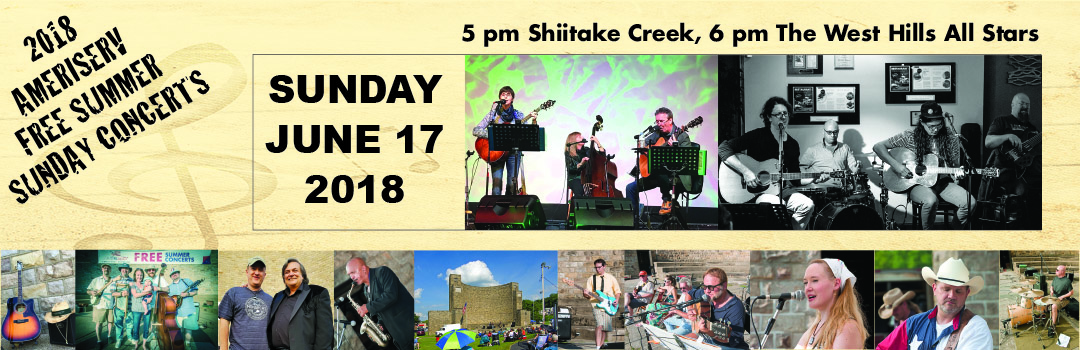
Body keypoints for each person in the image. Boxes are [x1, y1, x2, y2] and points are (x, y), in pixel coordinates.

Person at [719, 97, 817, 229]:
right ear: (769, 117)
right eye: (778, 114)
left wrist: (814, 179)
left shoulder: (793, 145)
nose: (783, 117)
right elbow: (723, 148)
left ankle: (790, 239)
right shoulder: (757, 136)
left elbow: (795, 180)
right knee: (777, 204)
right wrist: (746, 172)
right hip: (756, 192)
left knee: (807, 204)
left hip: (780, 190)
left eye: (785, 113)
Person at [874, 102, 975, 229]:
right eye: (931, 126)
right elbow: (878, 147)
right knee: (930, 200)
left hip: (942, 182)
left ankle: (954, 234)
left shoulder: (951, 138)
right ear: (922, 122)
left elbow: (954, 166)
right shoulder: (909, 136)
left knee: (969, 203)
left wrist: (958, 176)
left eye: (938, 125)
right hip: (918, 184)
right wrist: (897, 166)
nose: (935, 129)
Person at [876, 257, 992, 350]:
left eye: (958, 291)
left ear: (967, 293)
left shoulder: (976, 327)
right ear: (934, 288)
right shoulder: (912, 324)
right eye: (946, 289)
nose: (951, 295)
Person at [984, 92, 1041, 228]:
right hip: (1006, 171)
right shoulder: (1002, 121)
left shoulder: (1033, 130)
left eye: (1027, 105)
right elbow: (988, 142)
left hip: (1029, 172)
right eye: (1022, 103)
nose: (1025, 107)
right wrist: (1007, 136)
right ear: (1012, 105)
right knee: (1023, 191)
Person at [626, 107, 693, 218]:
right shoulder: (657, 132)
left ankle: (667, 200)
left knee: (661, 167)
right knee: (631, 188)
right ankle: (633, 220)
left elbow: (686, 160)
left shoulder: (682, 136)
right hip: (656, 176)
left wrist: (675, 148)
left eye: (661, 121)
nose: (659, 124)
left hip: (675, 176)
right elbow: (642, 144)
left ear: (670, 120)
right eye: (657, 121)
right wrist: (646, 151)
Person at [471, 86, 538, 195]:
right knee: (496, 187)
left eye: (508, 94)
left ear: (512, 99)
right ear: (499, 97)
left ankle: (509, 210)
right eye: (503, 94)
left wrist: (534, 120)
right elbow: (476, 130)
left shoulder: (518, 115)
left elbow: (528, 132)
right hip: (496, 153)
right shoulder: (493, 114)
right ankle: (495, 211)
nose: (505, 96)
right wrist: (493, 135)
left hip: (513, 153)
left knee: (512, 185)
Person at [795, 259, 868, 349]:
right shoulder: (813, 329)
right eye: (805, 283)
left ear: (836, 283)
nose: (807, 288)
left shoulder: (847, 327)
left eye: (815, 280)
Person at [346, 257, 414, 350]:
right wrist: (380, 326)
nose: (351, 277)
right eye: (349, 274)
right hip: (401, 339)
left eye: (353, 272)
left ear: (363, 268)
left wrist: (368, 307)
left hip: (411, 328)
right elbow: (381, 313)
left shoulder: (382, 272)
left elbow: (391, 295)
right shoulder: (366, 290)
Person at [267, 258, 332, 350]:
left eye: (295, 270)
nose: (291, 274)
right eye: (287, 272)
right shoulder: (278, 296)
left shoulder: (317, 293)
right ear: (284, 278)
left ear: (303, 276)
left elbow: (325, 332)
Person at [677, 268, 749, 349]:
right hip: (708, 337)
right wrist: (690, 309)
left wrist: (709, 332)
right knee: (679, 343)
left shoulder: (735, 308)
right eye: (705, 286)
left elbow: (734, 340)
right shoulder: (707, 293)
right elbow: (689, 294)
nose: (707, 291)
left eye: (711, 287)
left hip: (729, 346)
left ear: (724, 285)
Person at [219, 257, 273, 350]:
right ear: (247, 271)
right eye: (253, 268)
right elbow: (224, 321)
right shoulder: (233, 293)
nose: (256, 272)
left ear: (264, 275)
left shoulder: (271, 300)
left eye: (260, 270)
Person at [800, 120, 859, 191]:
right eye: (829, 132)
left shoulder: (845, 148)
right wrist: (812, 177)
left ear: (838, 132)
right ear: (823, 132)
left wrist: (856, 169)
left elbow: (853, 167)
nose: (832, 135)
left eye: (835, 132)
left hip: (841, 189)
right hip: (819, 190)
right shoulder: (812, 150)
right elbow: (800, 168)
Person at [583, 258, 621, 350]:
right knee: (599, 325)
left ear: (604, 266)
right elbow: (588, 295)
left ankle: (602, 344)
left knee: (605, 328)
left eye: (599, 267)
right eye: (596, 268)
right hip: (596, 304)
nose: (597, 269)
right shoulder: (591, 279)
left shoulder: (611, 278)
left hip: (609, 304)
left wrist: (616, 299)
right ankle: (598, 347)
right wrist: (585, 294)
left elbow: (617, 291)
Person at [564, 131, 606, 198]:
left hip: (588, 178)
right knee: (579, 191)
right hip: (575, 178)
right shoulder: (568, 153)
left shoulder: (587, 150)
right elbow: (570, 169)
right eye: (579, 137)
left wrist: (598, 143)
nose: (582, 137)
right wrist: (581, 163)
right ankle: (577, 206)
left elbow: (602, 157)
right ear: (573, 140)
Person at [167, 268, 200, 350]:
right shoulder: (169, 287)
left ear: (179, 273)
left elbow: (195, 292)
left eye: (176, 273)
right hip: (177, 312)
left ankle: (187, 344)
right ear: (171, 276)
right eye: (172, 274)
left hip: (188, 310)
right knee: (178, 330)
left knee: (188, 329)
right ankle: (179, 345)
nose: (174, 274)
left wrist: (187, 294)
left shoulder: (187, 281)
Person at [86, 264, 117, 346]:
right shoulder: (96, 280)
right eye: (104, 268)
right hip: (99, 305)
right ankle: (99, 340)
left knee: (110, 322)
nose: (106, 269)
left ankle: (109, 336)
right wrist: (92, 292)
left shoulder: (114, 280)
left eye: (108, 268)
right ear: (102, 269)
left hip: (110, 305)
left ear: (110, 270)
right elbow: (88, 290)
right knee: (99, 323)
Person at [110, 263, 135, 347]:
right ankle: (119, 339)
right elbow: (112, 293)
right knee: (119, 324)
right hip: (118, 307)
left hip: (129, 307)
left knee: (130, 324)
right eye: (123, 269)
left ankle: (130, 337)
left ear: (129, 271)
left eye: (126, 269)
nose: (124, 270)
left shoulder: (132, 281)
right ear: (121, 270)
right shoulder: (115, 280)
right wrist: (121, 293)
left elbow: (135, 293)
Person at [129, 268, 154, 350]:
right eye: (138, 275)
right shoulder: (133, 284)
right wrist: (147, 292)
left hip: (147, 308)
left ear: (143, 276)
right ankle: (136, 344)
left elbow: (152, 290)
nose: (139, 276)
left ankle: (143, 345)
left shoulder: (145, 283)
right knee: (136, 327)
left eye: (141, 275)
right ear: (135, 276)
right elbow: (135, 295)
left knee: (146, 328)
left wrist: (151, 297)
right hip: (136, 309)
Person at [1049, 265, 1075, 335]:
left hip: (1064, 300)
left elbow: (1071, 292)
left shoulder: (1067, 281)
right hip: (1054, 297)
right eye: (1056, 270)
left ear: (1062, 271)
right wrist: (1051, 290)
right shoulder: (1055, 279)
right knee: (1043, 300)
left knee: (1054, 306)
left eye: (1057, 270)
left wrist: (1062, 296)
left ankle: (1053, 325)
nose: (1056, 271)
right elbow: (1051, 287)